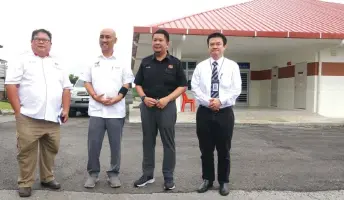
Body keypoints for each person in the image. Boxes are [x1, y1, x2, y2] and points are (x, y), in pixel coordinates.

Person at [5, 29, 72, 197]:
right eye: (37, 39)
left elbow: (66, 88)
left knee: (51, 150)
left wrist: (66, 109)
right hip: (28, 116)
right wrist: (18, 111)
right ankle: (25, 183)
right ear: (31, 42)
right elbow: (11, 85)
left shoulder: (58, 63)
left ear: (50, 43)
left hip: (53, 117)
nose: (41, 42)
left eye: (45, 39)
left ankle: (47, 178)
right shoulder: (22, 60)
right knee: (26, 151)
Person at [133, 29, 187, 190]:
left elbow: (183, 86)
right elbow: (138, 84)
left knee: (168, 143)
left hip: (167, 107)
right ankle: (147, 175)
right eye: (154, 40)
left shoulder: (175, 63)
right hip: (148, 107)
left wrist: (167, 99)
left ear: (167, 43)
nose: (157, 42)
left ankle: (168, 177)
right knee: (148, 142)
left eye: (160, 40)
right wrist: (143, 98)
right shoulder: (146, 62)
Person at [80, 28, 134, 188]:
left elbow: (127, 83)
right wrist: (95, 96)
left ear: (115, 40)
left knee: (115, 145)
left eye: (108, 37)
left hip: (116, 112)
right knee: (93, 145)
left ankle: (114, 174)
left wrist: (118, 98)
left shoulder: (122, 62)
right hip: (96, 110)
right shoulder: (92, 61)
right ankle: (93, 174)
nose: (104, 40)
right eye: (102, 37)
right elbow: (86, 81)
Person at [191, 32, 242, 196]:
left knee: (224, 149)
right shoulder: (201, 67)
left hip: (225, 112)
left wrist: (220, 101)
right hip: (204, 112)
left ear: (224, 46)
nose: (215, 47)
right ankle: (207, 179)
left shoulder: (232, 66)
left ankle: (224, 181)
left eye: (218, 44)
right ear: (208, 47)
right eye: (212, 44)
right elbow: (195, 88)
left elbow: (236, 89)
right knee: (205, 149)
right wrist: (208, 102)